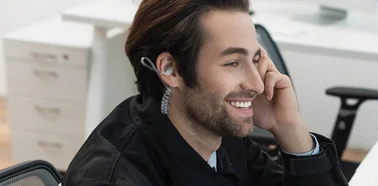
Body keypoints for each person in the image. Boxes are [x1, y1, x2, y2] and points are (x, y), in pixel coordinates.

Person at [62, 0, 348, 185]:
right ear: (171, 70)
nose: (258, 85)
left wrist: (289, 129)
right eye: (233, 63)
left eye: (256, 60)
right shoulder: (117, 178)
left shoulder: (218, 132)